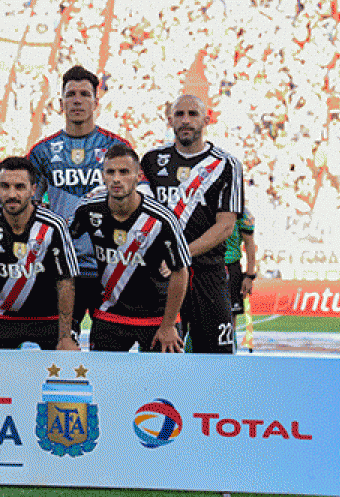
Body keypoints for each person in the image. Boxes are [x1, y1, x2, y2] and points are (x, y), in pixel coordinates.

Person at [27, 65, 130, 345]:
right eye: (70, 94)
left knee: (108, 349)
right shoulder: (42, 151)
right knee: (60, 346)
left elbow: (138, 205)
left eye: (84, 94)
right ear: (60, 103)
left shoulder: (117, 148)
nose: (77, 100)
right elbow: (28, 209)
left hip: (108, 266)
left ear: (96, 102)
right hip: (63, 268)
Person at [140, 94, 244, 354]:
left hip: (208, 275)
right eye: (179, 114)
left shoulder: (226, 165)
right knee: (161, 359)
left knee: (217, 362)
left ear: (206, 120)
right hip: (161, 279)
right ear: (169, 120)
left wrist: (180, 255)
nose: (185, 121)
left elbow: (225, 227)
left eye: (193, 114)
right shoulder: (151, 161)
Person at [70, 143, 191, 352]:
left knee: (163, 383)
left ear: (138, 176)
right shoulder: (87, 209)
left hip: (156, 319)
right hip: (109, 317)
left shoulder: (162, 218)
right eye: (111, 172)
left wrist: (169, 324)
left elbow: (181, 272)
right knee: (106, 383)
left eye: (124, 172)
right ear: (103, 176)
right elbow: (60, 244)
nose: (116, 179)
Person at [0, 157, 80, 350]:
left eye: (20, 187)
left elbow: (65, 283)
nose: (11, 194)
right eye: (5, 186)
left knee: (63, 367)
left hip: (47, 319)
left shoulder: (54, 226)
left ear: (33, 189)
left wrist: (65, 337)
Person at [224, 208, 256, 351]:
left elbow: (249, 243)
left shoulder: (241, 212)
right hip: (206, 265)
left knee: (230, 318)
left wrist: (249, 275)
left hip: (231, 267)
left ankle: (230, 353)